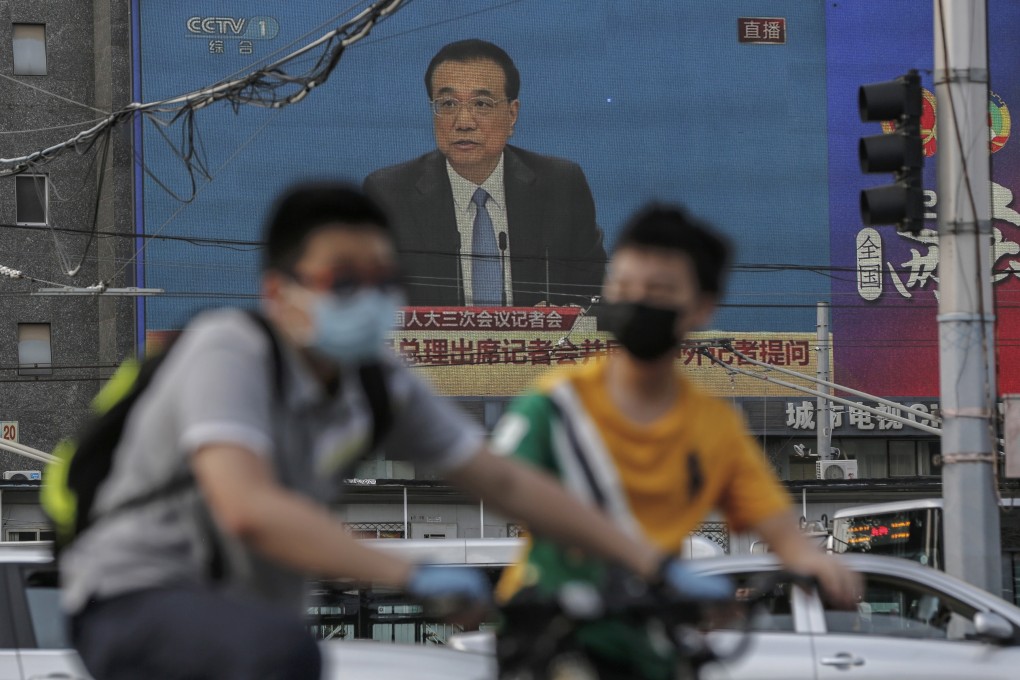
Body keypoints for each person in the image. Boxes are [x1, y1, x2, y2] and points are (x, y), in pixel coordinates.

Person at [61, 184, 721, 680]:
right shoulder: (228, 347)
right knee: (285, 654)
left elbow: (501, 479)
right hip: (132, 599)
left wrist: (650, 562)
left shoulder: (377, 381)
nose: (369, 297)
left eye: (384, 280)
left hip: (244, 620)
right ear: (277, 292)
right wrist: (412, 572)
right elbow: (249, 509)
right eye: (343, 281)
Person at [492, 204, 861, 679]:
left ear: (702, 306)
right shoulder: (557, 403)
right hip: (551, 630)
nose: (637, 301)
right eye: (624, 288)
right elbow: (503, 483)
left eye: (659, 291)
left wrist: (816, 561)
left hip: (649, 634)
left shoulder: (715, 427)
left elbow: (778, 526)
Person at [364, 39, 606, 307]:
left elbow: (595, 292)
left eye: (481, 104)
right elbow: (373, 300)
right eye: (447, 104)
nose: (463, 122)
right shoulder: (390, 193)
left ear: (512, 115)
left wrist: (563, 317)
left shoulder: (561, 184)